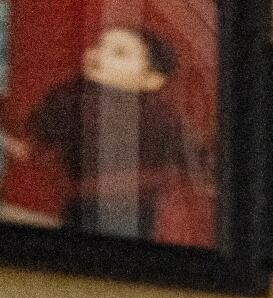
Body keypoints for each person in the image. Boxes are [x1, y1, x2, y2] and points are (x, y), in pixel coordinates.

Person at [1, 23, 201, 240]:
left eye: (119, 53)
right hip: (75, 209)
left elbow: (190, 167)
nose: (99, 54)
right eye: (98, 45)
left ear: (151, 80)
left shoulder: (166, 117)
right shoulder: (67, 98)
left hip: (136, 218)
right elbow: (32, 146)